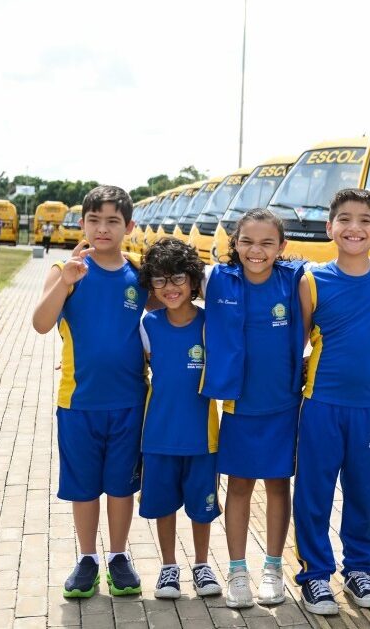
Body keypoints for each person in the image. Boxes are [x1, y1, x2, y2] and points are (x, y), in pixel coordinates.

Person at [31, 185, 148, 599]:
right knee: (84, 486)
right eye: (94, 220)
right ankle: (87, 559)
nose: (103, 229)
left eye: (113, 221)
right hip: (79, 403)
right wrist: (64, 283)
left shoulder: (139, 274)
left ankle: (118, 556)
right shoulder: (66, 270)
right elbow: (41, 323)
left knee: (120, 486)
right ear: (82, 224)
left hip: (130, 402)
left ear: (129, 227)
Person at [293, 188, 370, 615]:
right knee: (314, 493)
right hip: (320, 405)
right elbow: (296, 343)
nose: (354, 227)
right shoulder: (312, 280)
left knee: (362, 494)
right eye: (344, 219)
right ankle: (315, 575)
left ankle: (358, 570)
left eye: (364, 220)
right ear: (330, 227)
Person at [200, 208, 307, 609]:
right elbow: (163, 280)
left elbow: (354, 268)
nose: (256, 251)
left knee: (279, 484)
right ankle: (237, 570)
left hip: (283, 400)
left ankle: (273, 568)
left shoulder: (296, 279)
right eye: (247, 241)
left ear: (282, 247)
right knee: (240, 486)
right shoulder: (216, 279)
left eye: (266, 243)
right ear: (235, 243)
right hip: (238, 403)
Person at [137, 237, 222, 600]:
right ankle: (168, 567)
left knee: (202, 509)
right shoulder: (148, 325)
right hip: (158, 434)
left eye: (177, 279)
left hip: (202, 437)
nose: (169, 288)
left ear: (192, 281)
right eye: (159, 280)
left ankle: (202, 565)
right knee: (162, 504)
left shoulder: (210, 324)